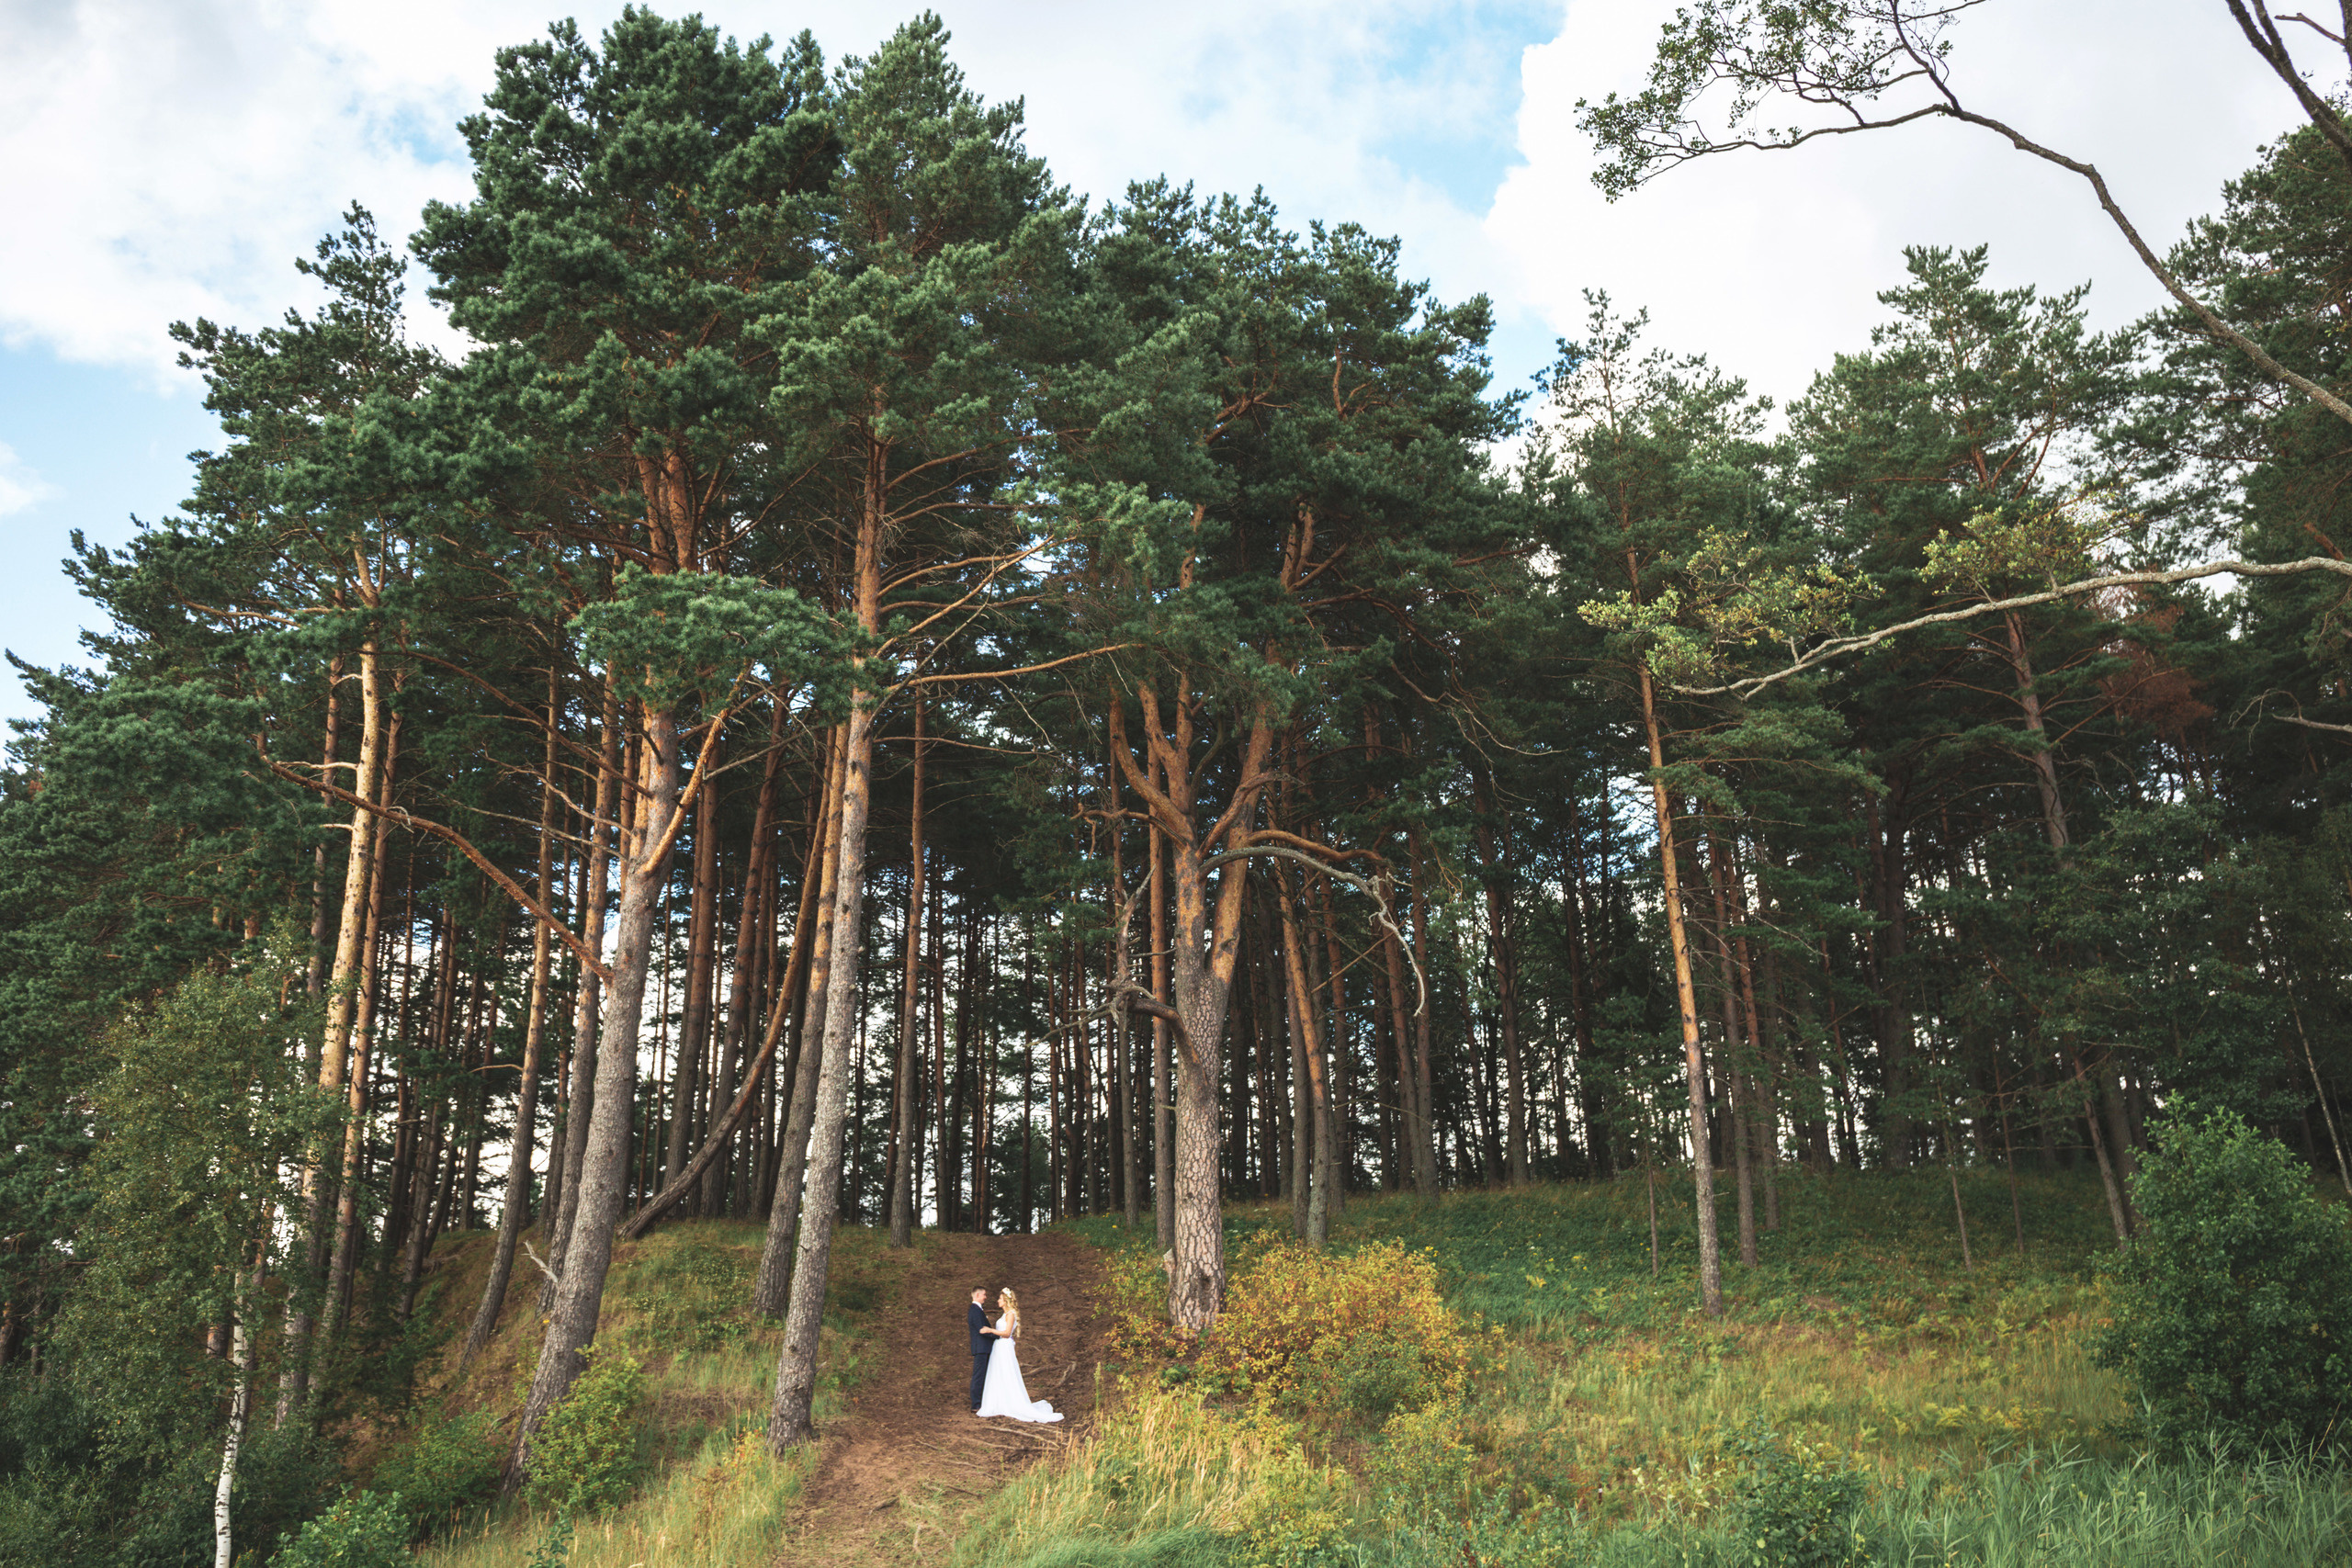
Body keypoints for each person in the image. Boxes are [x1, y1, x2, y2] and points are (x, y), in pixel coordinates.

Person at [975, 1285, 1063, 1422]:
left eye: (1000, 1298)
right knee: (998, 1372)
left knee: (1006, 1371)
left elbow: (1007, 1333)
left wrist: (990, 1330)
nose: (998, 1300)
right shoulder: (1004, 1314)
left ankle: (1010, 1403)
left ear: (1005, 1300)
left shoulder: (1011, 1314)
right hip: (998, 1346)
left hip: (1004, 1346)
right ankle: (998, 1401)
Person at [967, 1288, 993, 1415]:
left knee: (982, 1375)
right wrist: (998, 1336)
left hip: (983, 1347)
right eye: (984, 1294)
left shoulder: (977, 1310)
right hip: (981, 1348)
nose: (985, 1297)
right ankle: (976, 1404)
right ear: (977, 1295)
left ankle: (980, 1402)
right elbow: (981, 1330)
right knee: (979, 1376)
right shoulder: (975, 1310)